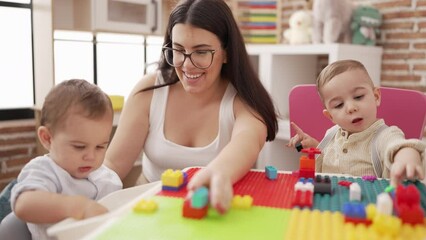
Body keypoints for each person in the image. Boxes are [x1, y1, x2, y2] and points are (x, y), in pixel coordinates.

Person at [105, 0, 278, 214]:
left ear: (226, 53)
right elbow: (112, 165)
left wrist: (219, 173)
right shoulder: (150, 91)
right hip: (149, 213)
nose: (187, 65)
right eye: (178, 50)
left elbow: (247, 142)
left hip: (210, 215)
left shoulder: (243, 103)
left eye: (201, 52)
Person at [11, 79, 122, 240]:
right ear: (47, 138)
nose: (91, 157)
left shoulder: (106, 177)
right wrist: (78, 207)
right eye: (79, 147)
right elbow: (23, 204)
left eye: (100, 147)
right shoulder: (46, 170)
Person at [287, 59, 425, 186]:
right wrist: (308, 147)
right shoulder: (331, 134)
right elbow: (326, 165)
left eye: (358, 97)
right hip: (328, 202)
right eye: (339, 105)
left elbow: (398, 146)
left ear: (376, 97)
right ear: (330, 116)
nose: (351, 108)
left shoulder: (385, 135)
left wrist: (406, 158)